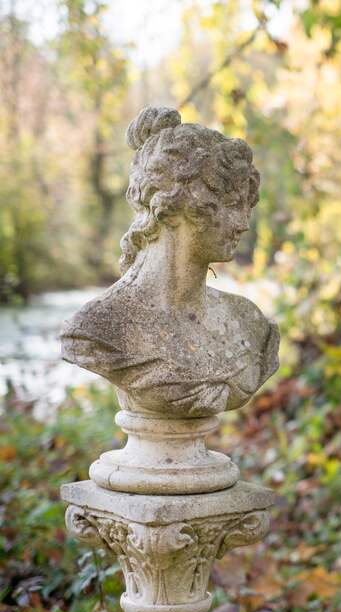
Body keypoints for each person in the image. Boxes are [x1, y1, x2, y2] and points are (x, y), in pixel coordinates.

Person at [61, 106, 279, 418]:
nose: (243, 223)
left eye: (246, 207)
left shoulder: (251, 324)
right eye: (231, 205)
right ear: (176, 204)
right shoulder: (98, 328)